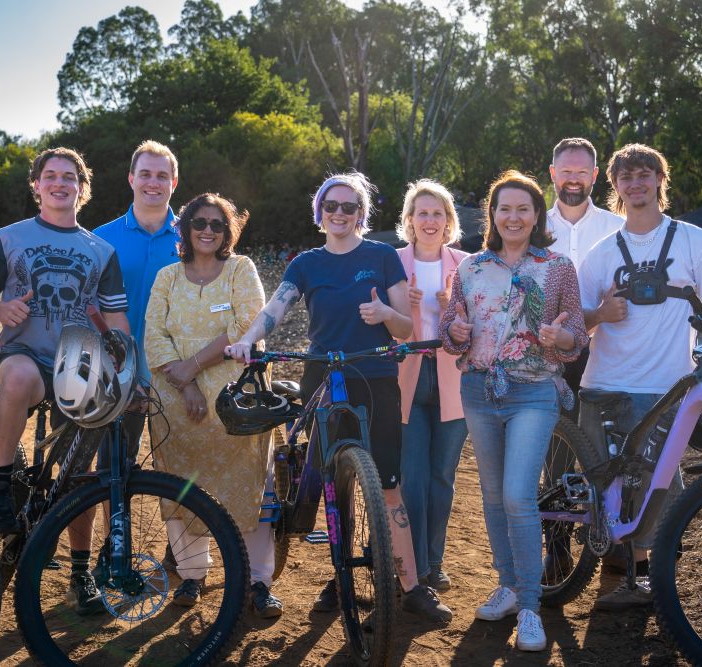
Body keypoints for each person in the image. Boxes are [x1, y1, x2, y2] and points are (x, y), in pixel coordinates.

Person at [226, 172, 453, 623]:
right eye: (331, 206)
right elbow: (276, 308)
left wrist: (384, 312)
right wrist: (249, 340)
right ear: (320, 212)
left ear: (361, 214)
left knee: (388, 486)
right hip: (323, 377)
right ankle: (340, 575)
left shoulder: (382, 256)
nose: (340, 214)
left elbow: (406, 328)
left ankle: (412, 586)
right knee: (336, 484)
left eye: (350, 207)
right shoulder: (306, 264)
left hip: (375, 375)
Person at [0, 147, 130, 615]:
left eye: (69, 177)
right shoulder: (9, 236)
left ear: (82, 188)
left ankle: (80, 574)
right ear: (36, 185)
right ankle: (1, 487)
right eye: (51, 176)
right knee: (18, 377)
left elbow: (116, 316)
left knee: (79, 473)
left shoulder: (101, 251)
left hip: (78, 361)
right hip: (25, 355)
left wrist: (125, 365)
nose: (60, 183)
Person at [577, 143, 702, 610]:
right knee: (606, 486)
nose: (636, 183)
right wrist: (600, 313)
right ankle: (624, 574)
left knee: (659, 484)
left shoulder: (695, 241)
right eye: (626, 177)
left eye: (645, 174)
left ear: (661, 180)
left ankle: (648, 579)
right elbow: (576, 322)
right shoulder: (602, 252)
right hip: (604, 383)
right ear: (615, 186)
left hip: (667, 386)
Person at [439, 170, 588, 652]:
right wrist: (454, 332)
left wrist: (561, 337)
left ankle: (529, 606)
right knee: (492, 495)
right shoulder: (470, 268)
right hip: (479, 391)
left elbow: (577, 334)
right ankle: (507, 586)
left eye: (524, 208)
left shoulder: (558, 267)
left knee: (519, 496)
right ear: (493, 215)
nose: (514, 217)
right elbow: (451, 327)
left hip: (534, 391)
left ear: (538, 215)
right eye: (505, 208)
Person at [143, 192, 282, 618]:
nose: (207, 230)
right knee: (184, 486)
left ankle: (258, 583)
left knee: (251, 488)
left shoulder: (241, 269)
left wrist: (193, 366)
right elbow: (154, 336)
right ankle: (191, 575)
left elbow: (246, 324)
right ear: (185, 228)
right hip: (176, 403)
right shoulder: (167, 276)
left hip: (239, 403)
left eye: (217, 224)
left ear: (228, 231)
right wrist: (185, 384)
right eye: (199, 222)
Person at [541, 137, 623, 583]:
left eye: (581, 172)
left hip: (607, 355)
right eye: (565, 172)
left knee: (609, 451)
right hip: (549, 356)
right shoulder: (534, 224)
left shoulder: (618, 227)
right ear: (553, 174)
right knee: (554, 453)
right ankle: (556, 552)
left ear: (594, 176)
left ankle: (616, 550)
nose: (573, 180)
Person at [394, 179, 469, 591]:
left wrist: (453, 311)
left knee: (442, 476)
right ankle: (413, 565)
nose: (429, 220)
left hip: (452, 380)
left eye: (437, 213)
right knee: (412, 477)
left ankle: (434, 563)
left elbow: (482, 323)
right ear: (409, 220)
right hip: (406, 379)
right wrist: (400, 308)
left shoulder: (467, 264)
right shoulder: (392, 262)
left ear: (448, 221)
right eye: (421, 213)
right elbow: (380, 324)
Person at [94, 140, 181, 448]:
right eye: (145, 174)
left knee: (176, 464)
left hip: (177, 371)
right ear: (131, 179)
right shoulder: (100, 239)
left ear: (174, 182)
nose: (153, 182)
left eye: (161, 176)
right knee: (115, 463)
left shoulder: (196, 237)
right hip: (118, 369)